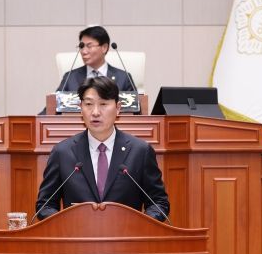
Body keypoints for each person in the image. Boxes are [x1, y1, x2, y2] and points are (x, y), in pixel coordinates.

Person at [36, 76, 169, 221]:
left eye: (103, 104)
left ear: (118, 108)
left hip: (127, 234)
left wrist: (140, 225)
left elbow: (159, 202)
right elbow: (45, 205)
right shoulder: (62, 153)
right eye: (88, 104)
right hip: (76, 234)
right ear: (80, 108)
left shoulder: (140, 151)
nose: (95, 112)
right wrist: (65, 225)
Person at [55, 25, 136, 92]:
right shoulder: (70, 77)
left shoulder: (124, 78)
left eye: (89, 46)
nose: (84, 51)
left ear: (104, 48)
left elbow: (136, 105)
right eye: (81, 46)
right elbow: (54, 104)